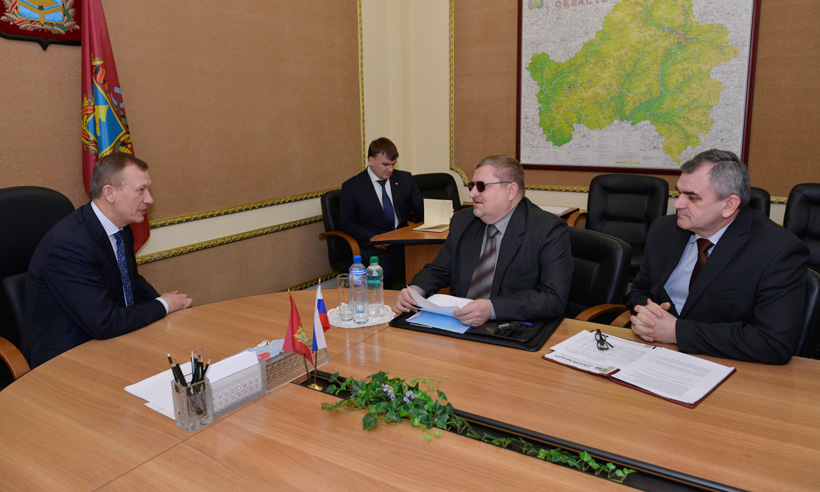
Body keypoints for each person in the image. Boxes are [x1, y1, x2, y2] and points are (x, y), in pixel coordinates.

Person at [628, 149, 809, 364]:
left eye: (692, 197)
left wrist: (677, 331)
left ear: (729, 205)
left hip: (729, 366)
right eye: (679, 193)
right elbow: (640, 292)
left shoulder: (778, 250)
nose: (678, 204)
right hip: (655, 353)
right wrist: (647, 316)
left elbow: (773, 343)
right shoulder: (663, 230)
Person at [21, 153, 193, 367]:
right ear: (109, 193)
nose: (149, 199)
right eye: (141, 190)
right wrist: (163, 305)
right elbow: (103, 322)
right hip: (67, 357)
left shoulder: (121, 228)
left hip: (112, 338)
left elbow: (131, 280)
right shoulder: (70, 245)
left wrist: (171, 304)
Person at [395, 155, 573, 326]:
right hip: (457, 322)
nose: (472, 193)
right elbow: (440, 269)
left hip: (510, 327)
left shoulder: (547, 229)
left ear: (511, 190)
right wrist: (416, 290)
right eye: (472, 185)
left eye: (481, 186)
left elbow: (553, 298)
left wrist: (491, 309)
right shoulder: (463, 221)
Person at [340, 137, 424, 286]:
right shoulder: (352, 187)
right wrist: (372, 239)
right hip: (374, 247)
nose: (390, 169)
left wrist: (443, 214)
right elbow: (347, 223)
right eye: (385, 164)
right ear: (371, 160)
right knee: (386, 273)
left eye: (393, 164)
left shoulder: (404, 179)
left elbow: (421, 207)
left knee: (426, 264)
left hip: (403, 243)